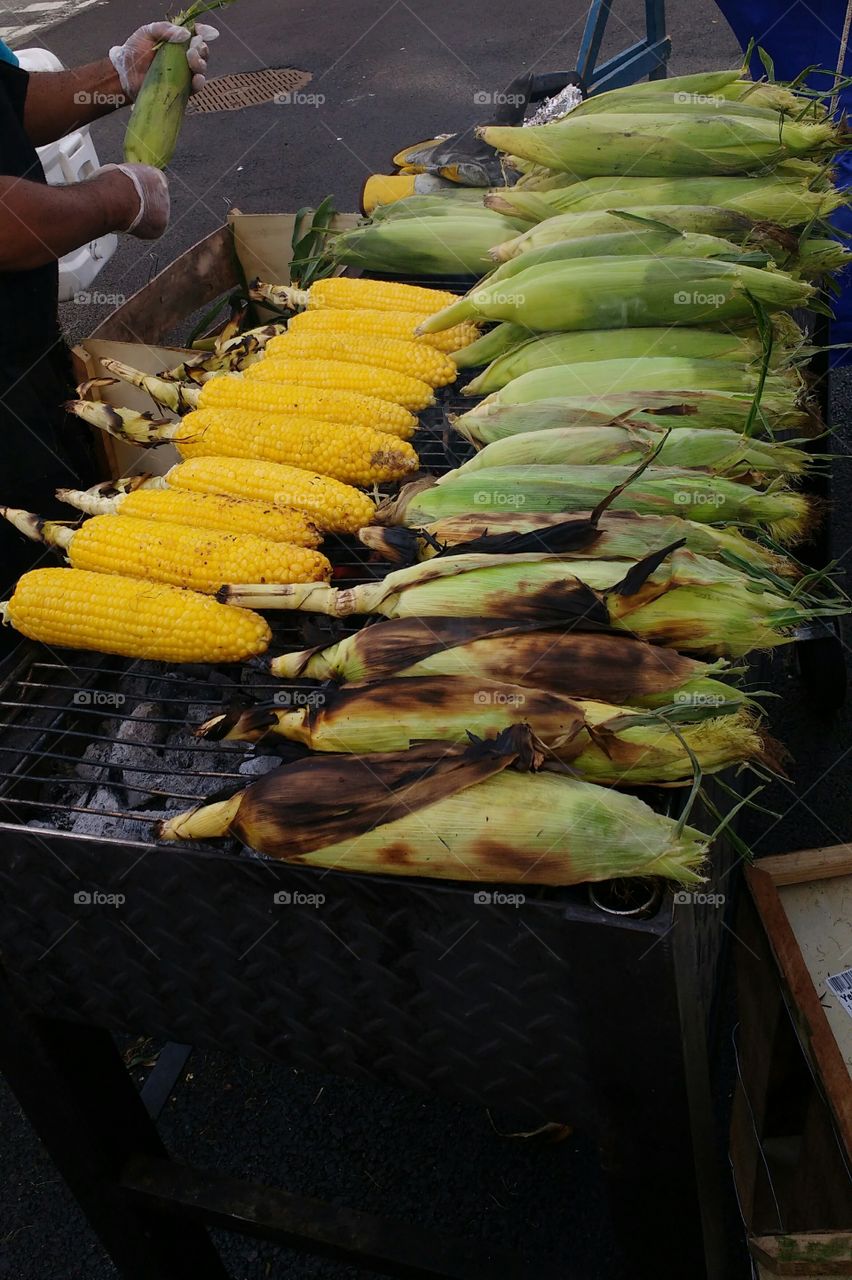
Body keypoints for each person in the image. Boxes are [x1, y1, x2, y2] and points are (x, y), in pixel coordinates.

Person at [0, 21, 217, 654]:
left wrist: (117, 76)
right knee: (21, 595)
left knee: (50, 534)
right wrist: (115, 197)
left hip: (22, 361)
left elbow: (7, 103)